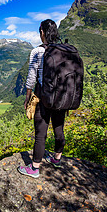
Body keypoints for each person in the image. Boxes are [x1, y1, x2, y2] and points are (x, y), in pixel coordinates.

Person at [18, 19, 66, 178]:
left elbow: (31, 78)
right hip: (61, 97)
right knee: (59, 129)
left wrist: (27, 97)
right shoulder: (65, 50)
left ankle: (34, 168)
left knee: (40, 133)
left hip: (43, 96)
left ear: (42, 33)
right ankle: (57, 159)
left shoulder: (37, 51)